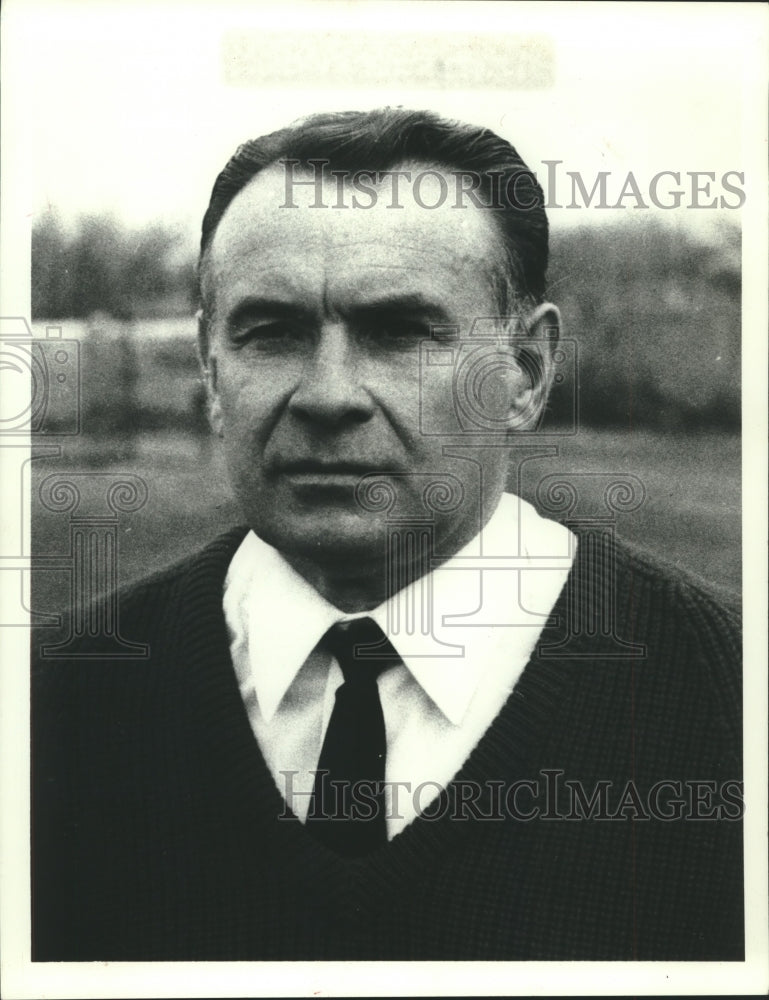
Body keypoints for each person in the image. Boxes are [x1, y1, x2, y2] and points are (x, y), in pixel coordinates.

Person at [31, 108, 743, 962]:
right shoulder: (47, 710)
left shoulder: (731, 698)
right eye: (272, 332)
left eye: (400, 332)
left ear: (526, 371)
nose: (328, 396)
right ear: (210, 368)